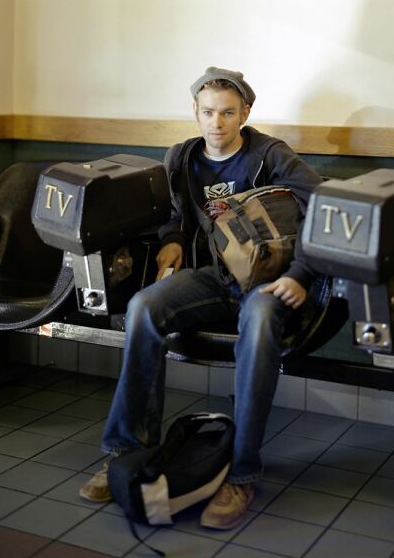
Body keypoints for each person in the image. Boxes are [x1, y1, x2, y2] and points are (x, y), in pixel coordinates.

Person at [79, 66, 323, 529]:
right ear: (195, 111)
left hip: (267, 284)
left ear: (245, 113)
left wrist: (302, 273)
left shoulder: (271, 154)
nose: (217, 122)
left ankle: (242, 473)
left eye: (228, 113)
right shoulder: (181, 157)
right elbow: (174, 213)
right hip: (213, 277)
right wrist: (171, 239)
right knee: (143, 307)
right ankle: (126, 453)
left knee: (258, 329)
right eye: (208, 112)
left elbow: (325, 208)